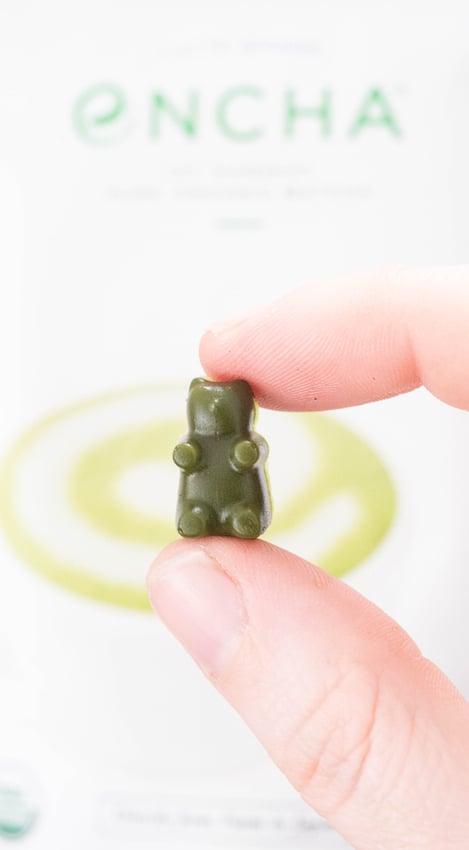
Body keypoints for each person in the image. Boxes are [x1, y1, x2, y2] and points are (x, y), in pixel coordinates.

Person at [146, 266, 469, 849]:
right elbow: (191, 456)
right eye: (207, 411)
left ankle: (233, 521)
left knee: (240, 516)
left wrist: (242, 451)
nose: (214, 417)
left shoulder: (244, 438)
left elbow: (250, 451)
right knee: (197, 515)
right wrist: (194, 451)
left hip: (240, 501)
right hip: (200, 500)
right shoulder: (200, 437)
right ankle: (204, 520)